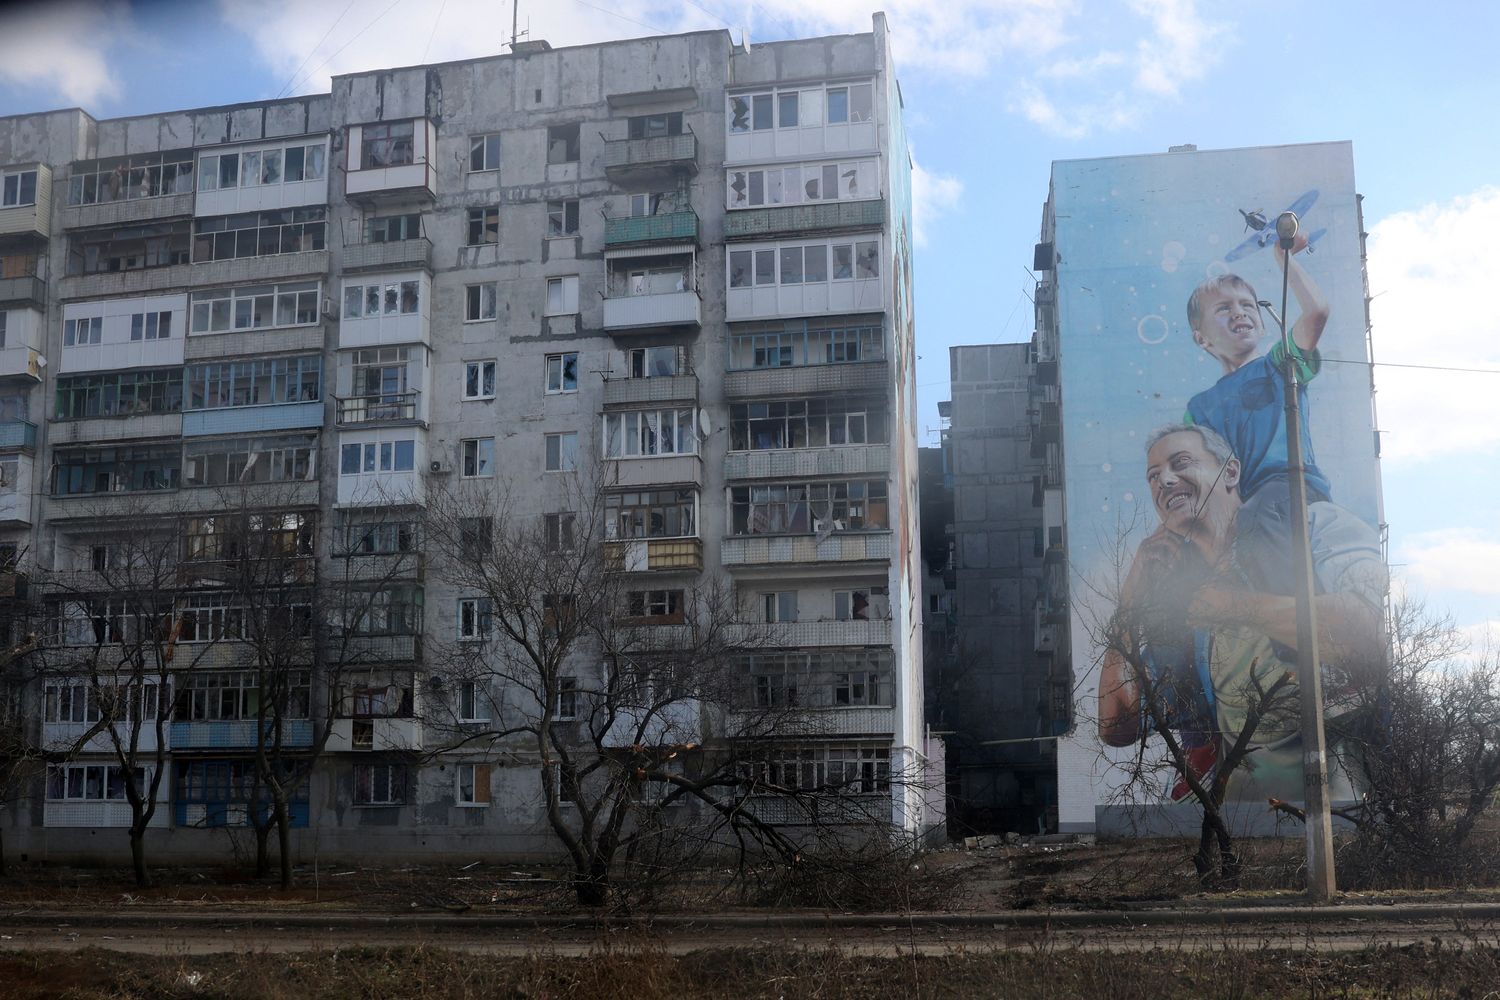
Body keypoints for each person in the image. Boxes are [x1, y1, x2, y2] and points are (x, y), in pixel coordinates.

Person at [1098, 424, 1386, 802]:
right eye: (1153, 477)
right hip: (1236, 807)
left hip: (1336, 796)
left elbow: (1366, 637)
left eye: (1180, 463)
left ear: (1231, 472)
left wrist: (1235, 607)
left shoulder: (1310, 524)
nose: (1165, 481)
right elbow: (1117, 727)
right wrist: (1127, 607)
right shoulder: (1179, 604)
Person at [1182, 236, 1329, 504]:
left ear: (1262, 325)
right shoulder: (1198, 408)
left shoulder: (1279, 364)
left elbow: (1316, 311)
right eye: (1224, 309)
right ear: (1202, 338)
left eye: (1247, 305)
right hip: (1242, 508)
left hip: (1291, 489)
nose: (1239, 313)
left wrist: (1285, 260)